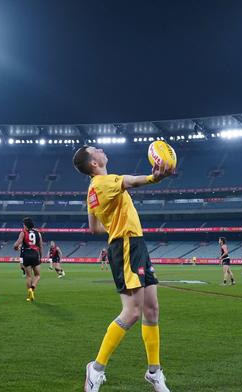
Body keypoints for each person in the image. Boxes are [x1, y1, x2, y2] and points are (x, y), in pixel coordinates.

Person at [73, 145, 173, 392]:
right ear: (94, 163)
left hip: (133, 242)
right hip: (126, 244)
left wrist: (114, 222)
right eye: (94, 149)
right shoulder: (104, 181)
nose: (100, 148)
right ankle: (95, 369)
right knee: (132, 312)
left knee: (152, 309)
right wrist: (154, 177)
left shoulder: (93, 190)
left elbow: (94, 228)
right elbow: (131, 182)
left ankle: (154, 372)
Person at [14, 217, 43, 301]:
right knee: (37, 275)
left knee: (28, 277)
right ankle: (33, 287)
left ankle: (29, 294)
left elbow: (16, 244)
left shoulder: (23, 232)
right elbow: (41, 246)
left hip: (26, 255)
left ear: (25, 225)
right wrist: (40, 257)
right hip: (35, 254)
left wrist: (15, 247)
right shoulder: (38, 233)